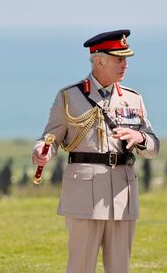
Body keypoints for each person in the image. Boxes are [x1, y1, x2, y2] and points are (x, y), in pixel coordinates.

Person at [32, 29, 159, 273]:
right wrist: (42, 151)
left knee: (120, 268)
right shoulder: (69, 97)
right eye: (118, 59)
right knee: (80, 267)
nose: (125, 65)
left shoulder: (134, 99)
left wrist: (139, 137)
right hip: (83, 195)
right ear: (99, 60)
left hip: (122, 195)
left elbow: (153, 147)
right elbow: (50, 138)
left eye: (126, 60)